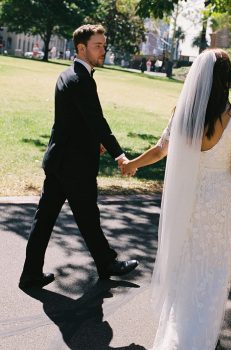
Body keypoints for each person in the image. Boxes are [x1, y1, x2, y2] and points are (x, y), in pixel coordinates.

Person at [121, 48, 231, 349]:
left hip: (187, 201)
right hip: (219, 205)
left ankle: (180, 335)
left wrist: (133, 163)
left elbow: (161, 151)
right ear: (225, 78)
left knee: (187, 269)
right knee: (213, 273)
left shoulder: (183, 113)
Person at [19, 24, 138, 289]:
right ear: (81, 48)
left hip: (60, 160)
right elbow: (97, 120)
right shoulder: (81, 80)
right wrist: (119, 154)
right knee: (86, 217)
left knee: (47, 218)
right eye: (98, 46)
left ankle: (30, 274)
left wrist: (92, 141)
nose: (103, 50)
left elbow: (73, 119)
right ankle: (106, 263)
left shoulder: (67, 75)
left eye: (104, 45)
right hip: (74, 166)